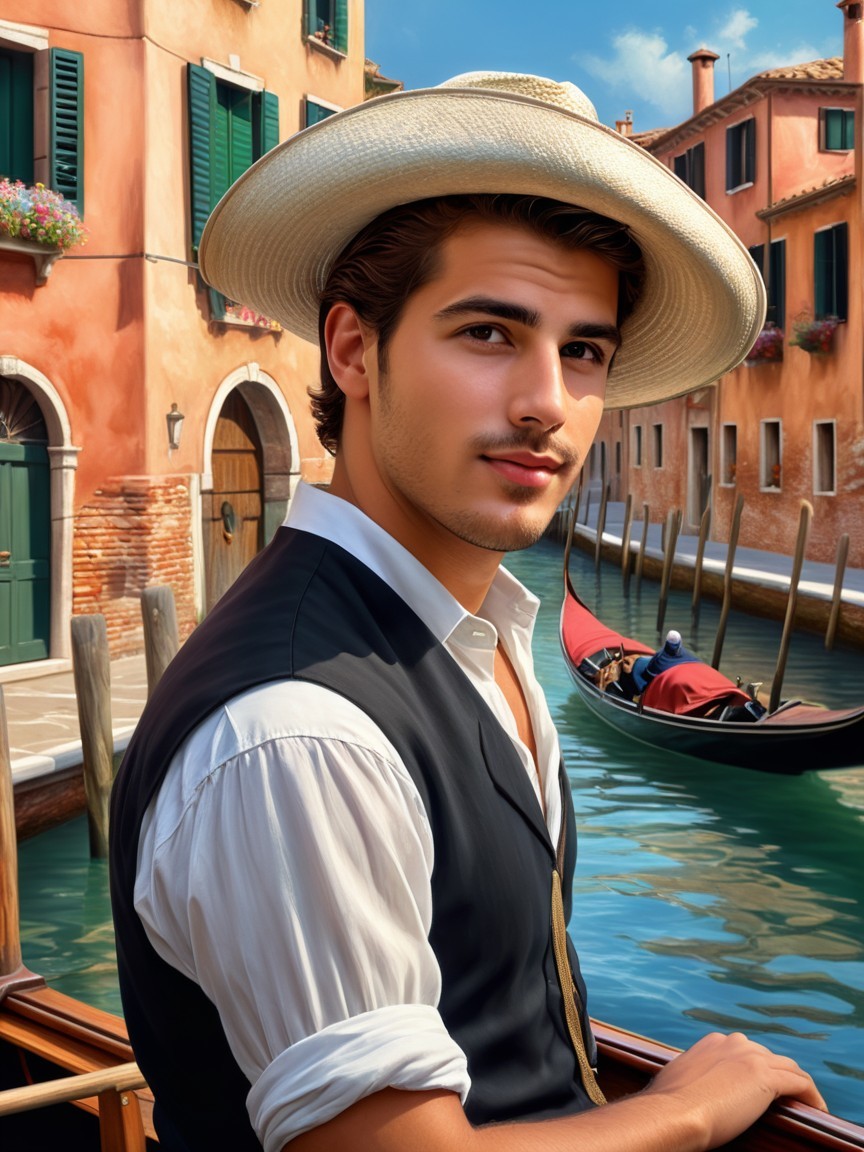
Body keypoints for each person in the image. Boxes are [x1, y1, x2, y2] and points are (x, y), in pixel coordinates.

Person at [110, 72, 825, 1151]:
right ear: (353, 349)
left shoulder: (476, 641)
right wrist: (681, 1112)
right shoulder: (302, 734)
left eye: (584, 350)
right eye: (490, 333)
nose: (547, 401)